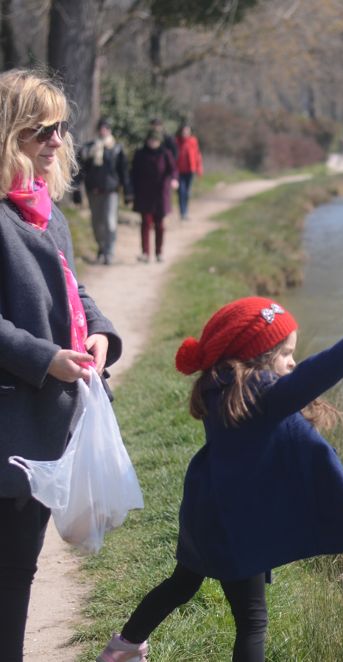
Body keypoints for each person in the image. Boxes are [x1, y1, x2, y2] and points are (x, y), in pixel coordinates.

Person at [98, 297, 343, 662]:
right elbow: (303, 382)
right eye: (286, 354)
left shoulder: (220, 385)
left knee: (181, 584)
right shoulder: (260, 396)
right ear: (257, 356)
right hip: (238, 526)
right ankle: (123, 650)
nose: (292, 362)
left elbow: (293, 386)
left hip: (206, 514)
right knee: (252, 623)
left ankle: (123, 647)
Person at [0, 68, 123, 662]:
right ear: (8, 134)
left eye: (61, 128)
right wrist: (45, 358)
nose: (56, 140)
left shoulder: (47, 211)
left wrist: (99, 332)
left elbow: (74, 291)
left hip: (48, 428)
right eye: (41, 129)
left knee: (18, 571)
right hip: (9, 430)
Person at [72, 117, 131, 265]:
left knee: (110, 222)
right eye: (101, 127)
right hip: (93, 191)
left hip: (111, 192)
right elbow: (80, 171)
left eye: (106, 127)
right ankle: (101, 249)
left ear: (110, 130)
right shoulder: (88, 149)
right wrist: (76, 190)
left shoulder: (117, 149)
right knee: (97, 224)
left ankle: (109, 252)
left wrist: (128, 192)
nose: (103, 130)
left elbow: (123, 172)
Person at [130, 130, 177, 263]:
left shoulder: (166, 154)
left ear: (159, 141)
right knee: (145, 223)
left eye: (155, 140)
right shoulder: (140, 154)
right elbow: (133, 172)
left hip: (161, 194)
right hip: (144, 194)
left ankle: (159, 252)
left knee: (160, 225)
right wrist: (131, 191)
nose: (153, 142)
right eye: (151, 140)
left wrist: (174, 180)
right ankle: (145, 253)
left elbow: (173, 170)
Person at [174, 122, 202, 221]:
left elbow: (197, 155)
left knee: (187, 192)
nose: (185, 132)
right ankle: (183, 212)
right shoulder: (176, 141)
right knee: (181, 191)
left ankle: (185, 211)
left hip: (190, 170)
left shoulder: (193, 141)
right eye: (184, 130)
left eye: (187, 131)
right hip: (179, 171)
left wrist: (199, 168)